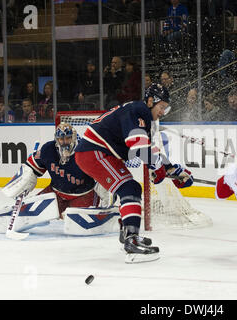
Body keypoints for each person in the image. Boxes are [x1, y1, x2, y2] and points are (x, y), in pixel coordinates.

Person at [74, 83, 194, 263]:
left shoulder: (141, 115)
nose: (163, 112)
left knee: (130, 189)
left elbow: (148, 150)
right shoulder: (138, 111)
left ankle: (128, 234)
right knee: (129, 189)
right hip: (94, 152)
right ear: (151, 101)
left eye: (166, 109)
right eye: (162, 107)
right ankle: (131, 240)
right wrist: (159, 168)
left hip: (100, 153)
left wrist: (172, 170)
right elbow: (139, 148)